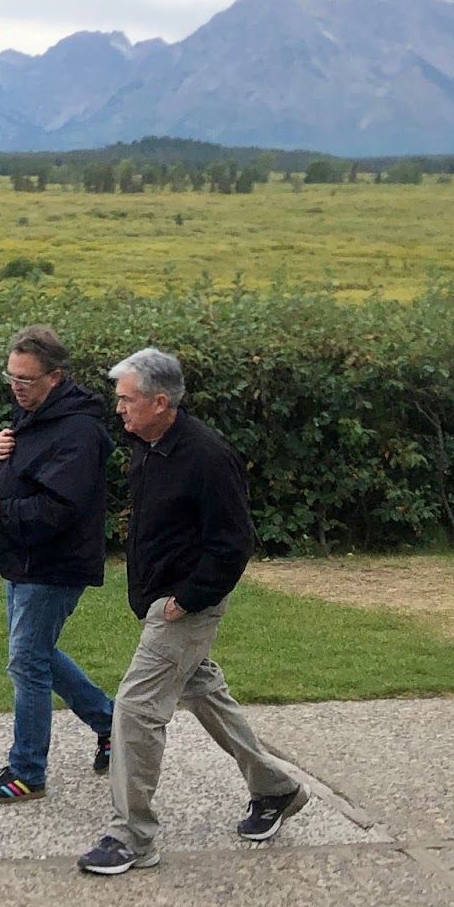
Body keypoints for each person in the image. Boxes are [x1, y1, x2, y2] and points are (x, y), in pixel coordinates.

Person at [77, 347, 308, 876]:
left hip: (185, 607)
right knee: (203, 690)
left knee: (135, 709)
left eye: (127, 400)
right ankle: (276, 790)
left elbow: (233, 542)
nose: (119, 411)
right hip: (160, 600)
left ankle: (132, 836)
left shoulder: (206, 456)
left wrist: (187, 600)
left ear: (161, 402)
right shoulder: (147, 444)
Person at [0, 324, 115, 804]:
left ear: (55, 376)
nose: (16, 388)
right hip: (22, 558)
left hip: (55, 563)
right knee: (37, 655)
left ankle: (27, 773)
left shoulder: (79, 430)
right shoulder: (33, 414)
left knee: (26, 661)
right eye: (11, 378)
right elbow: (23, 472)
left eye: (25, 380)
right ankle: (113, 726)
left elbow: (60, 509)